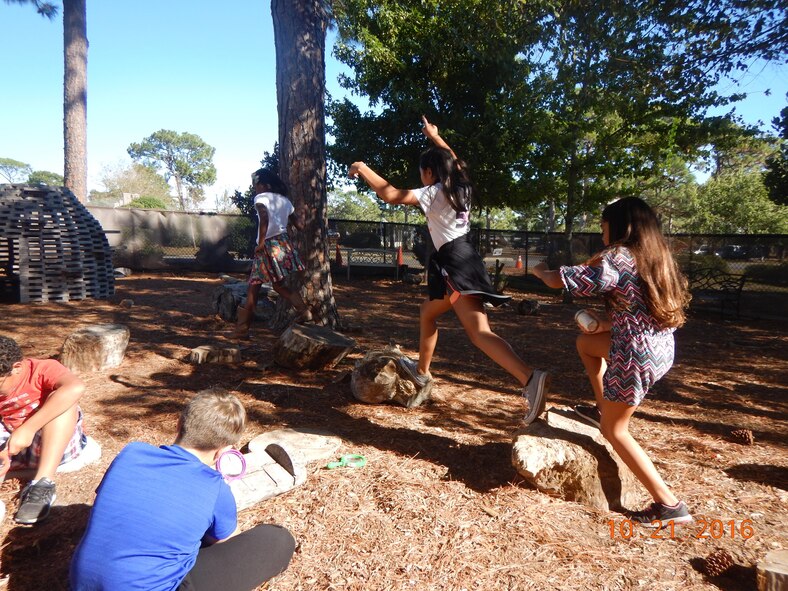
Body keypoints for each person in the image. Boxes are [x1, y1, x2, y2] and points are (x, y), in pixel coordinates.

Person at [348, 116, 548, 424]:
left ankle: (529, 378)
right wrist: (435, 137)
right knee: (428, 311)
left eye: (422, 172)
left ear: (429, 172)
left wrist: (362, 169)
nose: (421, 176)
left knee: (480, 333)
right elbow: (454, 161)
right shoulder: (461, 187)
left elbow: (390, 194)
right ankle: (423, 372)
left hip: (455, 263)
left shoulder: (434, 192)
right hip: (461, 258)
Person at [532, 196, 692, 526]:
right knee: (586, 344)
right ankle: (604, 404)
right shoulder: (655, 257)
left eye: (604, 224)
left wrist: (538, 270)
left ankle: (670, 506)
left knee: (615, 431)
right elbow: (639, 307)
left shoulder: (617, 257)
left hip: (633, 354)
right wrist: (606, 323)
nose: (601, 231)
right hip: (658, 347)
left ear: (618, 225)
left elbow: (561, 280)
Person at [70, 388, 295, 591]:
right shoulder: (215, 487)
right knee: (277, 539)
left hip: (82, 583)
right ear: (223, 452)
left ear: (178, 424)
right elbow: (225, 543)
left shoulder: (131, 453)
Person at [0, 335, 88, 524]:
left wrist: (28, 429)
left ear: (16, 368)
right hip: (15, 443)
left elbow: (76, 387)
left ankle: (42, 482)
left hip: (51, 441)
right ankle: (13, 472)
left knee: (65, 402)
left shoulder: (41, 369)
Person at [233, 168, 312, 338]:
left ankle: (241, 330)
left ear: (264, 185)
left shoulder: (261, 198)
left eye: (256, 185)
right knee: (278, 285)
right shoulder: (285, 201)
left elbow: (264, 217)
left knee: (253, 288)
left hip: (267, 246)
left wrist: (261, 242)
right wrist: (305, 213)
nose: (255, 188)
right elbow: (300, 226)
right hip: (283, 245)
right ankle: (304, 311)